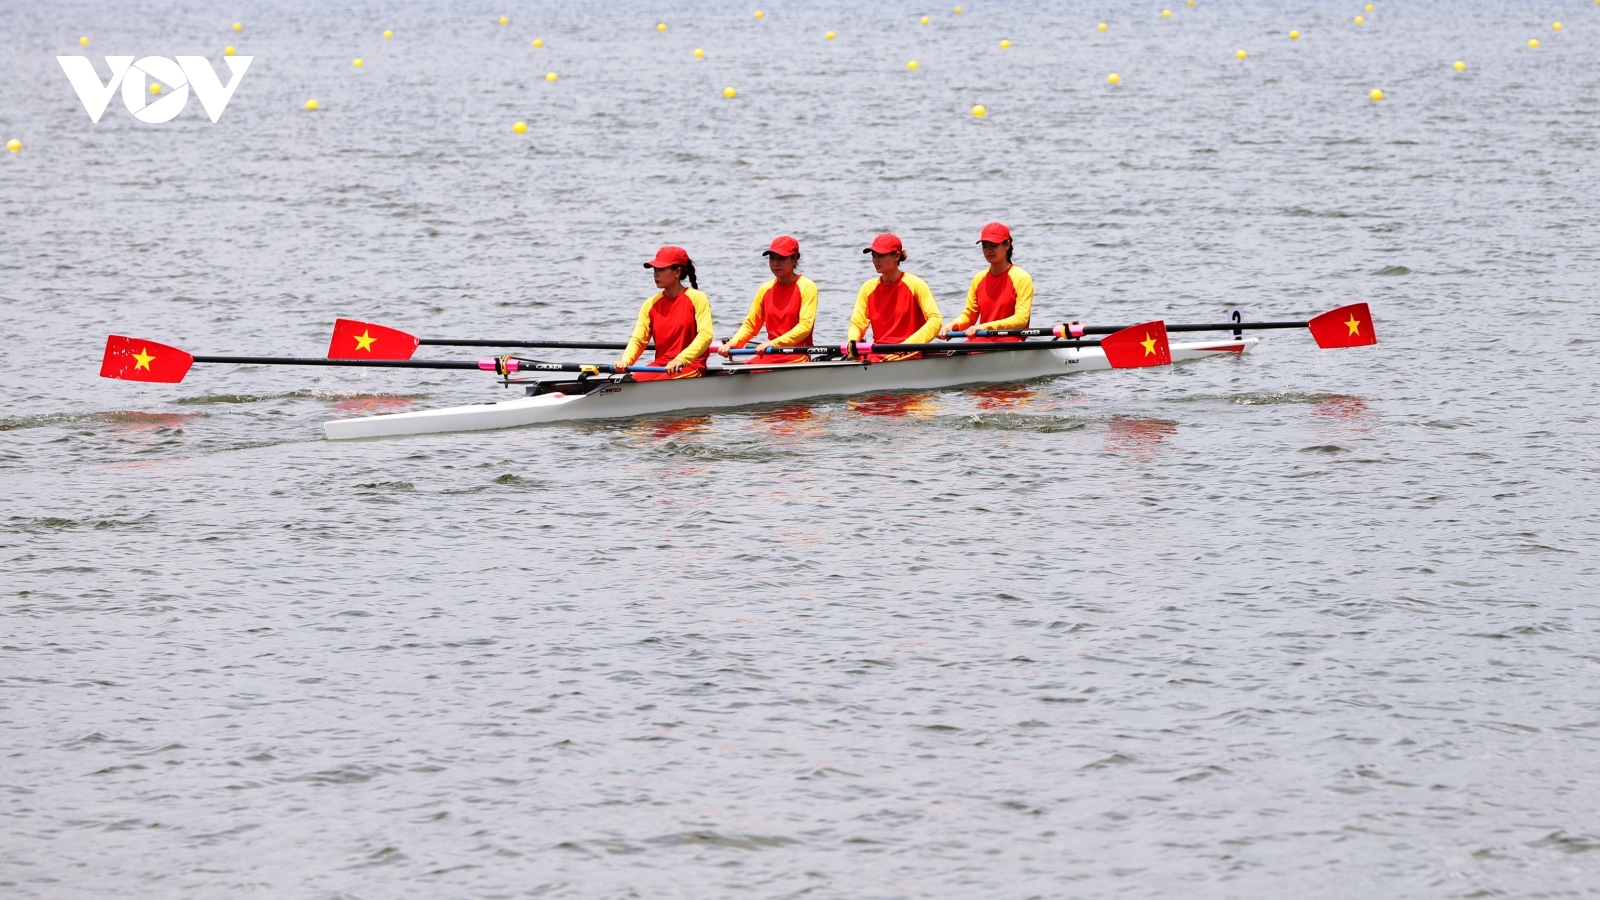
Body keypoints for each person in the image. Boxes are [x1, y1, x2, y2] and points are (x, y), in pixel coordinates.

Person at [614, 246, 715, 381]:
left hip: (691, 365)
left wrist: (681, 359)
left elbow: (705, 335)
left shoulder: (697, 298)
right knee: (630, 382)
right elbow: (638, 340)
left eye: (661, 269)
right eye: (655, 269)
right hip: (662, 365)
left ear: (677, 272)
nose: (655, 274)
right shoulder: (650, 304)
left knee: (655, 384)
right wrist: (626, 361)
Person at [718, 235, 818, 365]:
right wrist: (733, 343)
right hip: (771, 352)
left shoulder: (807, 286)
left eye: (781, 258)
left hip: (796, 354)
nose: (775, 263)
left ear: (794, 259)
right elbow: (751, 325)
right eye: (772, 258)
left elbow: (805, 327)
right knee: (739, 375)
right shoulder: (765, 289)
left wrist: (773, 343)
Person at [846, 233, 942, 361]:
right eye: (873, 255)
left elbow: (935, 320)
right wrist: (853, 341)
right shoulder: (867, 288)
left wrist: (911, 344)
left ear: (897, 256)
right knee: (844, 359)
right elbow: (857, 323)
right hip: (879, 350)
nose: (875, 260)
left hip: (909, 351)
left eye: (880, 255)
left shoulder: (916, 285)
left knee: (873, 361)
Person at [941, 222, 1033, 343]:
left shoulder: (1021, 277)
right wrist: (954, 325)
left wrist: (984, 327)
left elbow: (1021, 320)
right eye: (985, 246)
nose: (988, 250)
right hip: (984, 338)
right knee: (958, 351)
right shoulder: (979, 278)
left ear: (1007, 245)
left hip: (1011, 339)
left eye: (993, 245)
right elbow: (969, 316)